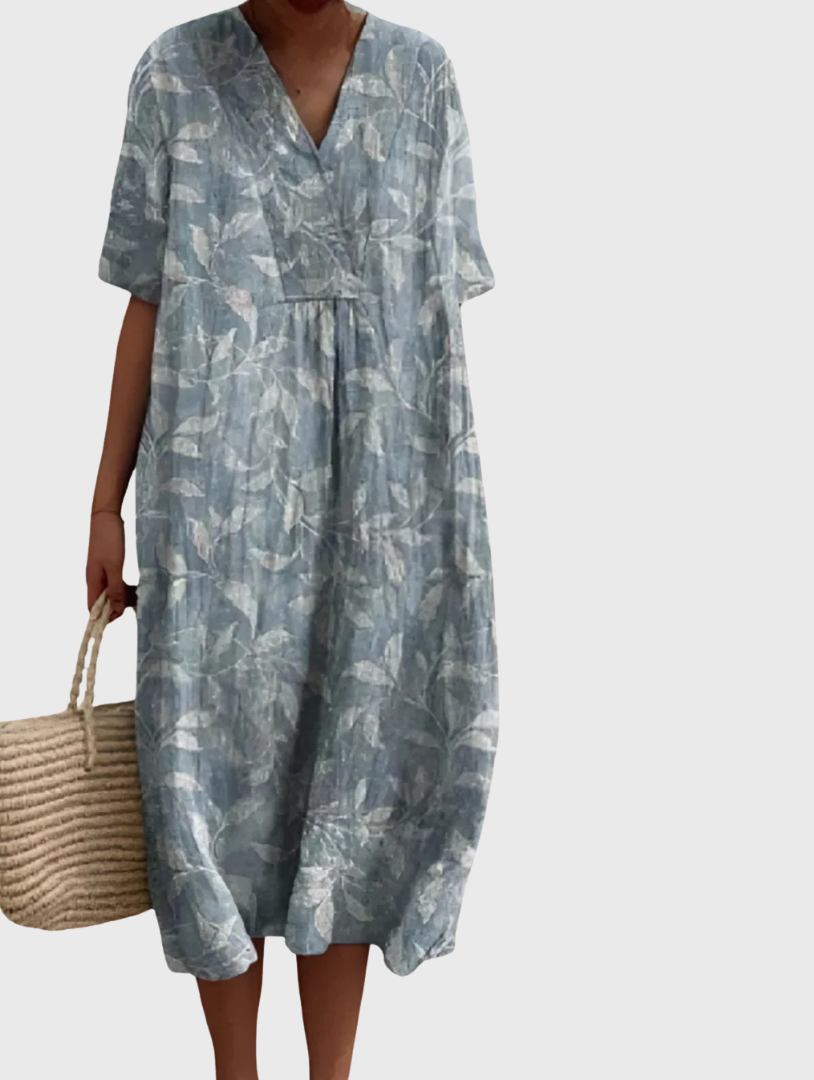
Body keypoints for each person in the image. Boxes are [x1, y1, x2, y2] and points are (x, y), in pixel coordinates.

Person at [86, 3, 498, 1077]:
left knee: (356, 773)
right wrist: (103, 502)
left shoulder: (421, 80)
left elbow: (436, 318)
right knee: (210, 778)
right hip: (214, 502)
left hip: (385, 498)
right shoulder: (174, 74)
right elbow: (148, 301)